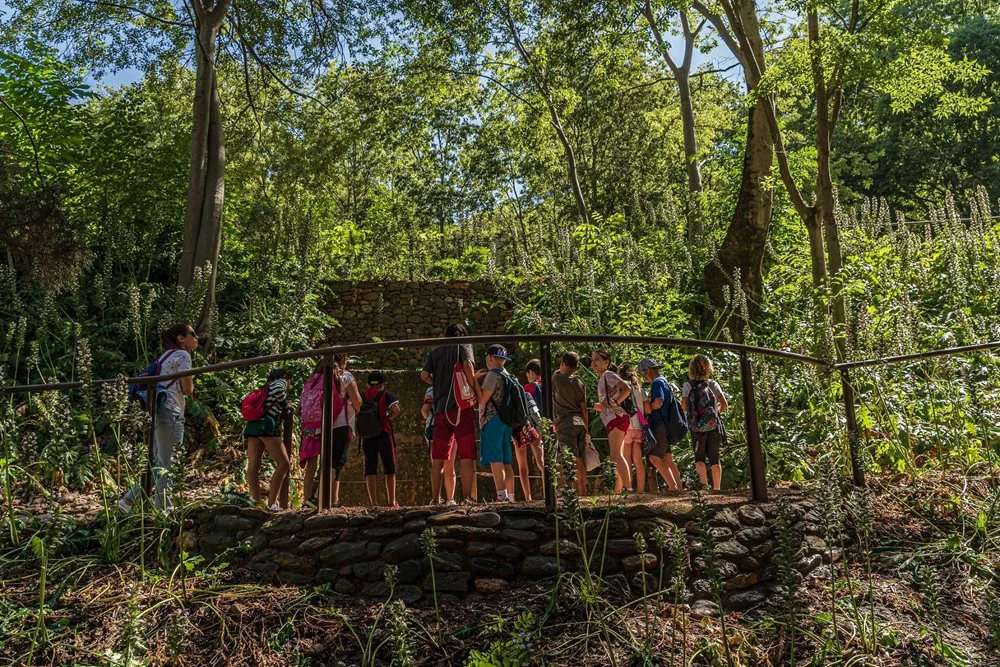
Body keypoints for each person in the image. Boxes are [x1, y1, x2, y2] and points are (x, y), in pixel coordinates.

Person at [119, 323, 199, 513]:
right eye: (193, 334)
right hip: (171, 410)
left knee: (160, 461)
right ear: (181, 338)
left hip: (158, 410)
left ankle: (129, 500)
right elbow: (187, 390)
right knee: (168, 462)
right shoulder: (182, 355)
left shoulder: (165, 356)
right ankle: (163, 508)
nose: (197, 338)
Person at [421, 323, 481, 505]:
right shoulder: (464, 344)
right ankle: (467, 498)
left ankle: (435, 498)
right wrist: (475, 390)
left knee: (438, 456)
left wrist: (437, 383)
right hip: (462, 407)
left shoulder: (435, 351)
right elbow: (468, 366)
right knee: (466, 454)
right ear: (463, 334)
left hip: (440, 409)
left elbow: (424, 375)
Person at [246, 368, 292, 511]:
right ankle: (272, 503)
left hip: (254, 425)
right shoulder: (280, 382)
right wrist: (286, 405)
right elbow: (279, 391)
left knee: (254, 464)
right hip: (267, 426)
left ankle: (256, 501)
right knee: (284, 463)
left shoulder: (265, 386)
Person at [681, 354, 728, 490]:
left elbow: (684, 406)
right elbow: (724, 404)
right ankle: (717, 489)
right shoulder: (713, 384)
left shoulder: (687, 385)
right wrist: (714, 415)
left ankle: (704, 486)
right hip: (713, 426)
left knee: (699, 458)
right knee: (714, 458)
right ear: (708, 368)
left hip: (697, 428)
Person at [638, 358, 684, 492]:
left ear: (648, 370)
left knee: (654, 457)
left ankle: (673, 488)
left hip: (659, 425)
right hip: (665, 424)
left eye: (642, 373)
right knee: (667, 458)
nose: (642, 377)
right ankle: (679, 489)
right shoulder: (664, 381)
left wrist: (646, 408)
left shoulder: (657, 383)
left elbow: (658, 402)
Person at [591, 349, 634, 494]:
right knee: (617, 455)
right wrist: (601, 406)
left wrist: (616, 402)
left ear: (606, 362)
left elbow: (627, 388)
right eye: (592, 360)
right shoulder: (603, 377)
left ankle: (628, 489)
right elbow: (609, 400)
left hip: (616, 418)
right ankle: (621, 489)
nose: (593, 363)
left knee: (616, 455)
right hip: (613, 418)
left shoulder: (608, 374)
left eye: (597, 359)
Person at [323, 353, 363, 507]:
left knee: (327, 461)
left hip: (323, 424)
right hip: (342, 422)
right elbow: (358, 402)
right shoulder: (345, 376)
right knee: (337, 463)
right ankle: (331, 500)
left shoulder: (321, 375)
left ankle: (328, 498)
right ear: (343, 361)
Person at [479, 345, 517, 502]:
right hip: (507, 421)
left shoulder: (492, 376)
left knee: (496, 459)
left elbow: (483, 399)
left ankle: (501, 495)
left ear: (490, 357)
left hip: (493, 419)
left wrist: (474, 380)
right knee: (507, 460)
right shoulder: (510, 376)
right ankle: (512, 496)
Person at [358, 371, 401, 508]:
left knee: (370, 469)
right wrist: (387, 418)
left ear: (368, 384)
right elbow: (396, 410)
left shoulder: (362, 396)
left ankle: (374, 503)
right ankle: (391, 501)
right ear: (383, 384)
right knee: (389, 468)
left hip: (367, 436)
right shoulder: (386, 395)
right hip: (383, 433)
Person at [552, 351, 590, 497]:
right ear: (576, 367)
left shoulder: (557, 379)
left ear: (562, 364)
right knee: (581, 460)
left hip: (565, 422)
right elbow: (584, 408)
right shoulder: (579, 382)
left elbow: (555, 375)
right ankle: (583, 493)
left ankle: (573, 496)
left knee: (570, 460)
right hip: (579, 422)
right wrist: (586, 427)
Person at [299, 358, 331, 507]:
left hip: (308, 425)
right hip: (322, 424)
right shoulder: (328, 379)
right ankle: (320, 496)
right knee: (327, 461)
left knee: (311, 464)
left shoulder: (310, 381)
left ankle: (306, 498)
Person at [515, 359, 545, 501]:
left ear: (531, 372)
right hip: (543, 426)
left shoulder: (528, 388)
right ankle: (548, 494)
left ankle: (528, 497)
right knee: (542, 462)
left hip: (525, 426)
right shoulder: (547, 386)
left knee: (522, 465)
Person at [422, 387, 456, 505]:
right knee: (450, 465)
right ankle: (450, 499)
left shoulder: (431, 390)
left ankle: (436, 498)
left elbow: (425, 410)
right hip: (452, 425)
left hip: (433, 427)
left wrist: (429, 418)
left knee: (436, 464)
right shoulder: (453, 387)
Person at [620, 365, 647, 494]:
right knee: (638, 462)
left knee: (627, 460)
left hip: (627, 427)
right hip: (639, 427)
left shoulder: (621, 387)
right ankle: (640, 491)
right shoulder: (639, 389)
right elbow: (647, 409)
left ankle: (628, 489)